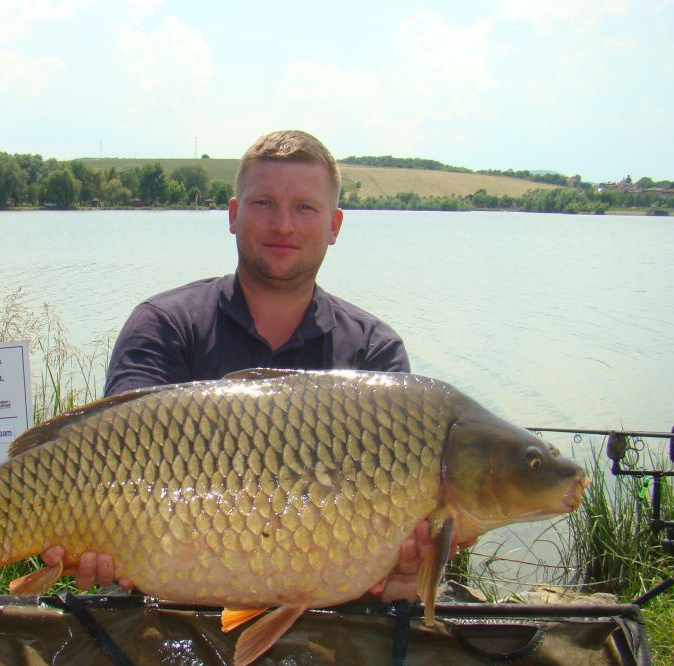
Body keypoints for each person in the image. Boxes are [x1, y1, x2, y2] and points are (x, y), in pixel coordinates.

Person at [42, 129, 451, 600]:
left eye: (305, 207)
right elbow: (105, 462)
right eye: (263, 204)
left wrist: (403, 570)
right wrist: (91, 546)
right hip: (165, 601)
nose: (283, 225)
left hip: (322, 613)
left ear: (334, 225)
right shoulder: (164, 325)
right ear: (233, 216)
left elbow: (400, 569)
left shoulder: (374, 354)